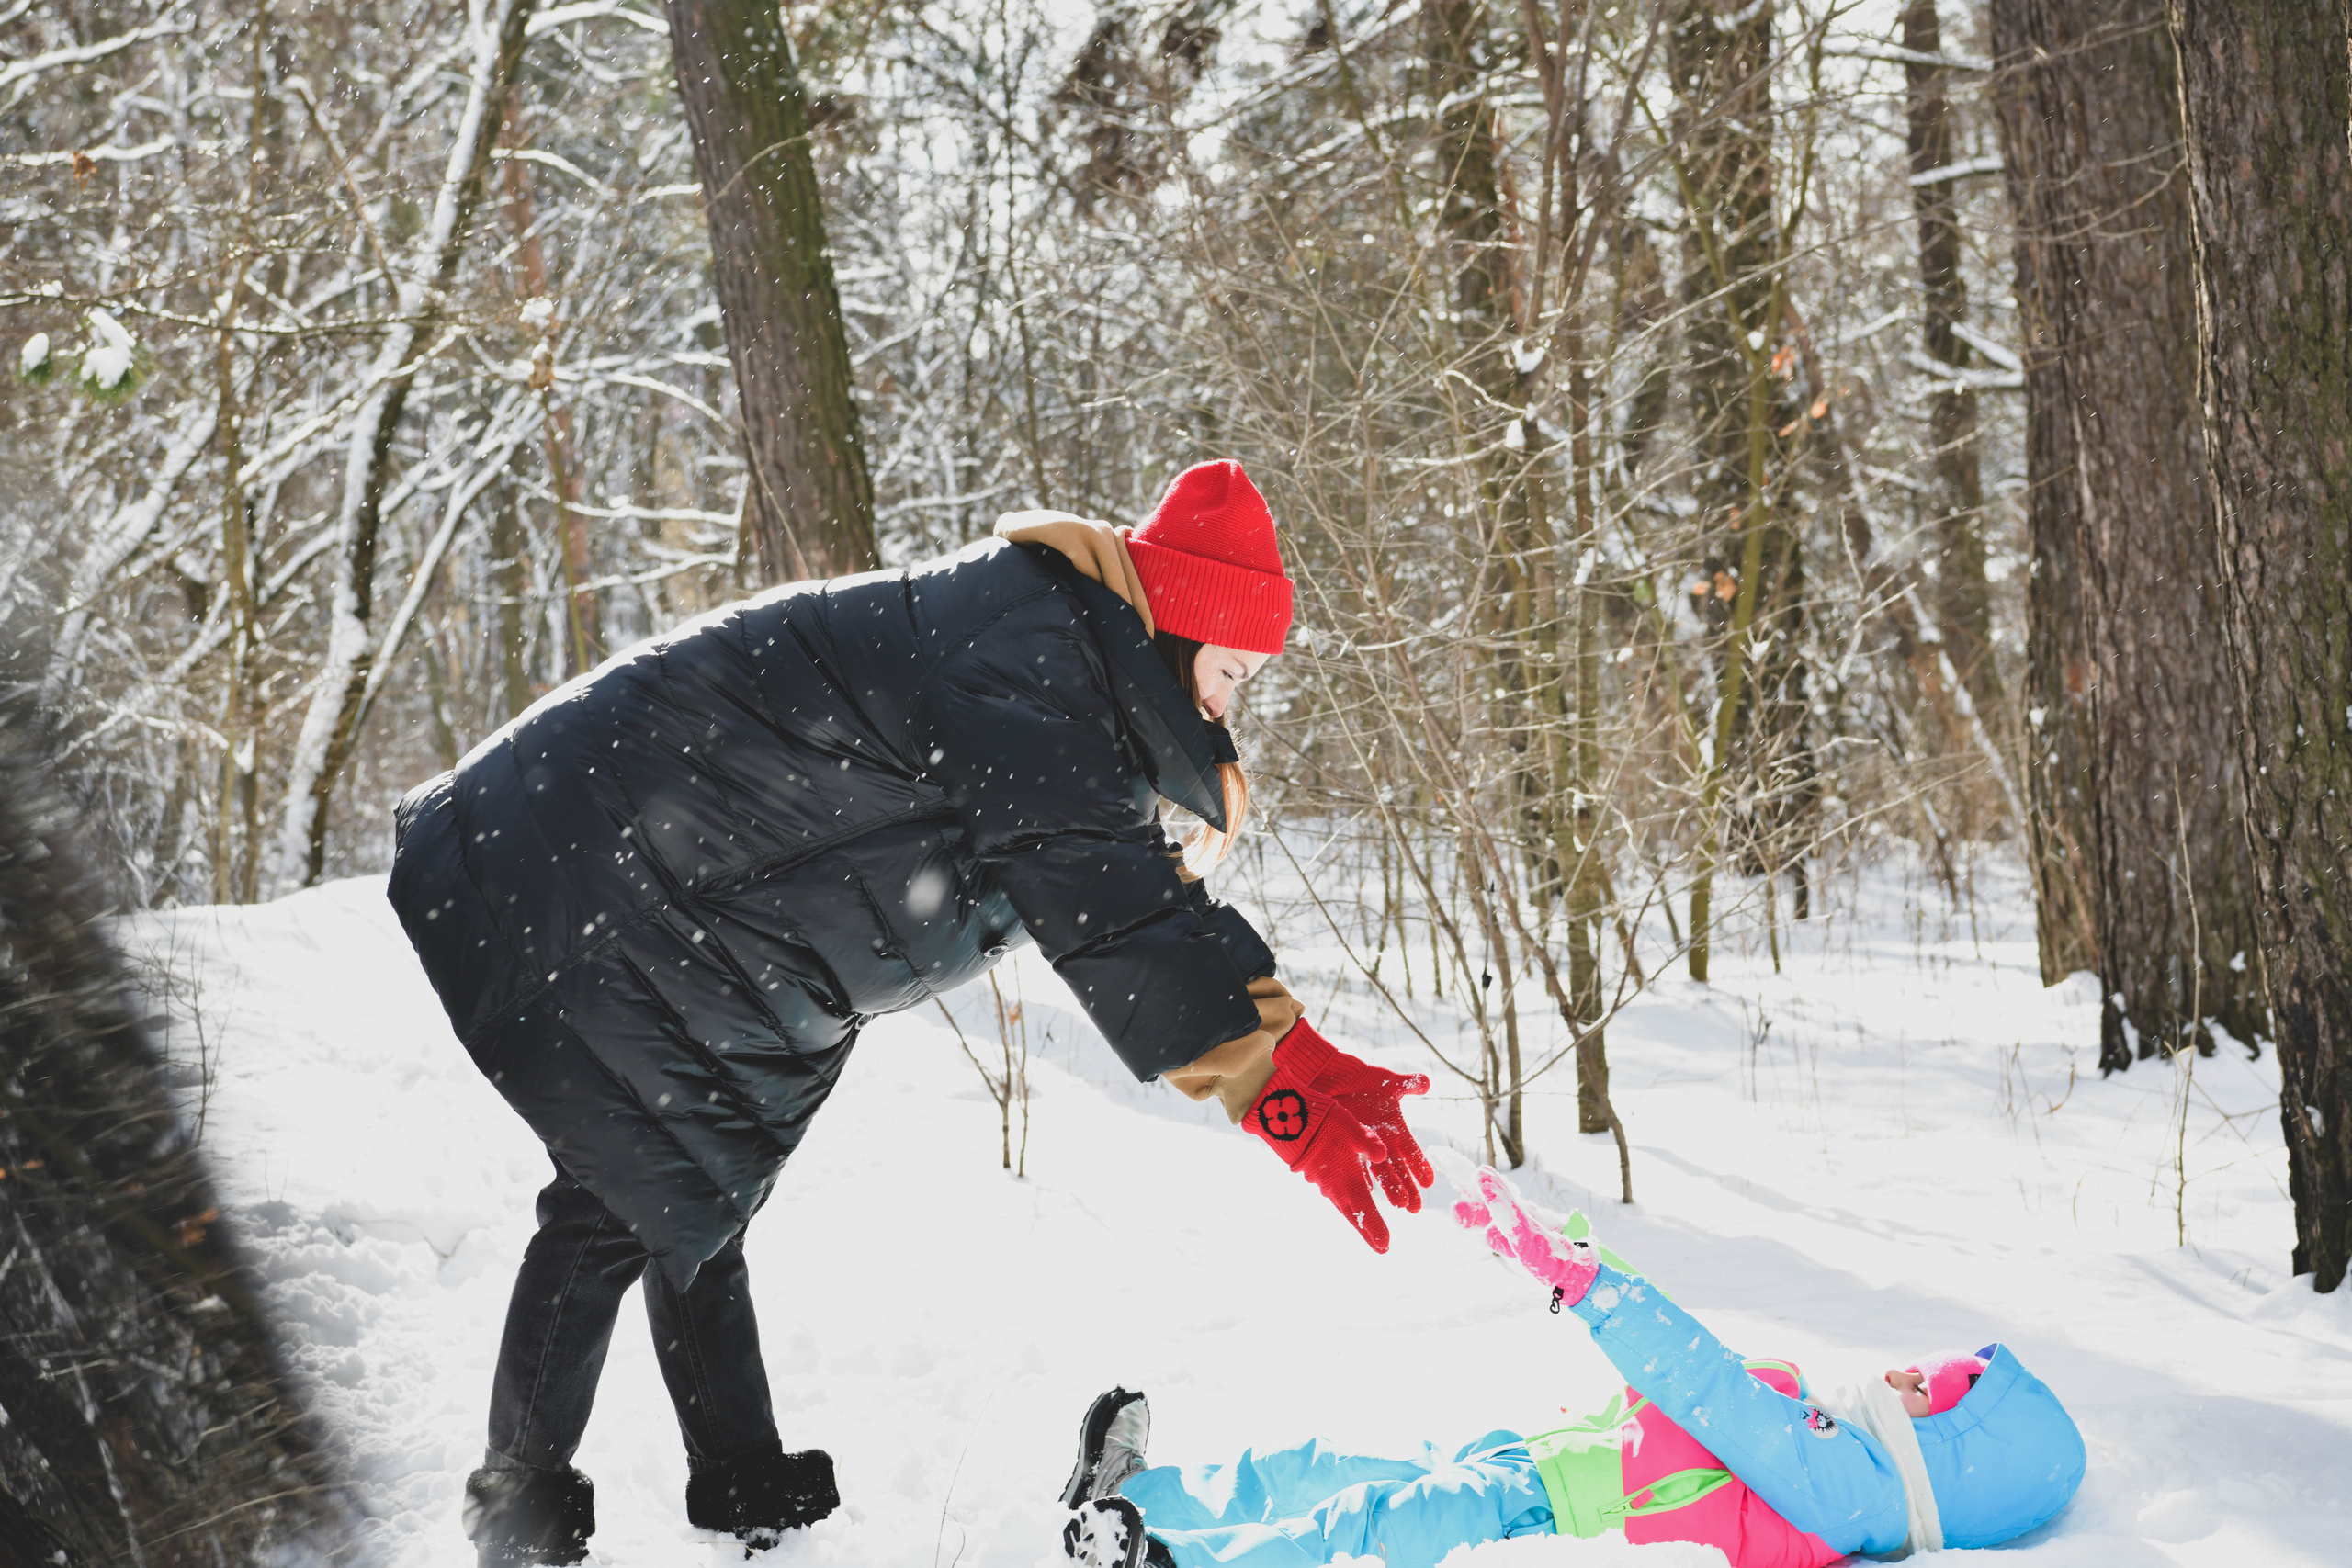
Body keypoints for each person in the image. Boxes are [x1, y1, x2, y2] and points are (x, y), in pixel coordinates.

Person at [385, 460, 1437, 1566]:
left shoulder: (1060, 655)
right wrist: (1269, 1091)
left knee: (689, 1175)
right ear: (1173, 631)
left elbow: (1143, 887)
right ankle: (518, 1513)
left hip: (688, 894)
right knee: (614, 1192)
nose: (1224, 704)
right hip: (609, 859)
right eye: (1226, 671)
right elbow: (1102, 902)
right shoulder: (1034, 656)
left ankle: (739, 1474)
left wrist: (1299, 1051)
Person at [1059, 1167, 2087, 1568]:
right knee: (1338, 1468)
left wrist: (1592, 1289)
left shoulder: (1852, 1496)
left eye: (1930, 1388)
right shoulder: (1837, 1435)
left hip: (1553, 1516)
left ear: (1950, 1453)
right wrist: (1574, 1260)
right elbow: (1700, 1369)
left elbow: (1710, 1392)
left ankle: (1169, 1565)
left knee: (1360, 1532)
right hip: (1536, 1459)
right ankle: (1136, 1500)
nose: (1903, 1378)